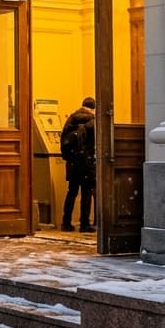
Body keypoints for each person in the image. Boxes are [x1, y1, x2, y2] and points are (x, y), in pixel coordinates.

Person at [60, 97, 97, 233]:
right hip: (87, 163)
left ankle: (66, 222)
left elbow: (63, 140)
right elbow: (95, 143)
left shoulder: (71, 119)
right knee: (86, 193)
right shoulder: (92, 121)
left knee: (72, 192)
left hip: (73, 163)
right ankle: (84, 223)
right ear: (93, 109)